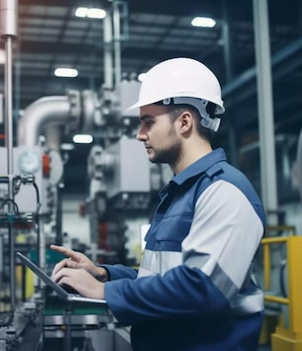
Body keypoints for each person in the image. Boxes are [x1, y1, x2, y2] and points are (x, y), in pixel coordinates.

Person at [51, 57, 265, 350]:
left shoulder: (224, 191)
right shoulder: (179, 194)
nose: (140, 135)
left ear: (185, 122)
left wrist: (106, 292)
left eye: (148, 122)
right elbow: (163, 279)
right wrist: (105, 273)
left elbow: (203, 290)